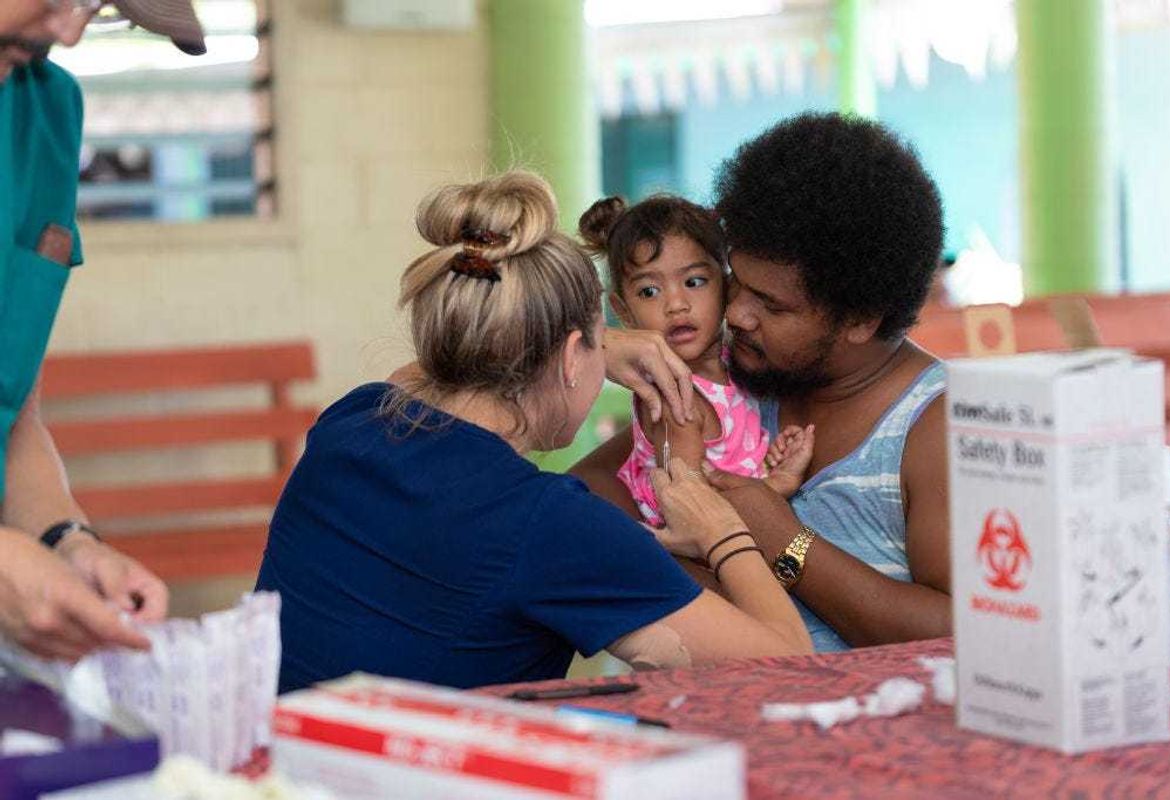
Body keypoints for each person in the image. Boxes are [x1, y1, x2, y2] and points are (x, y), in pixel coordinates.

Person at [255, 172, 811, 693]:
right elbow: (789, 667)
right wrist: (722, 530)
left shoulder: (353, 419)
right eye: (602, 338)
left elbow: (419, 376)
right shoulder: (550, 525)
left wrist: (596, 343)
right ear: (573, 357)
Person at [576, 112, 951, 652]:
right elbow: (592, 489)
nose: (740, 315)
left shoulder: (934, 424)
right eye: (736, 283)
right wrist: (600, 345)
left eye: (771, 304)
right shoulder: (746, 377)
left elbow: (958, 634)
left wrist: (781, 539)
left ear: (861, 319)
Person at [0, 0, 206, 660]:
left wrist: (67, 541)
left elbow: (13, 415)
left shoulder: (44, 106)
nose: (70, 30)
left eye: (96, 5)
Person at [577, 195, 814, 526]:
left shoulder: (736, 359)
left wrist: (769, 460)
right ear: (623, 312)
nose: (676, 304)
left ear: (727, 286)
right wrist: (774, 486)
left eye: (694, 282)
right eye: (649, 291)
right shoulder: (677, 401)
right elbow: (690, 511)